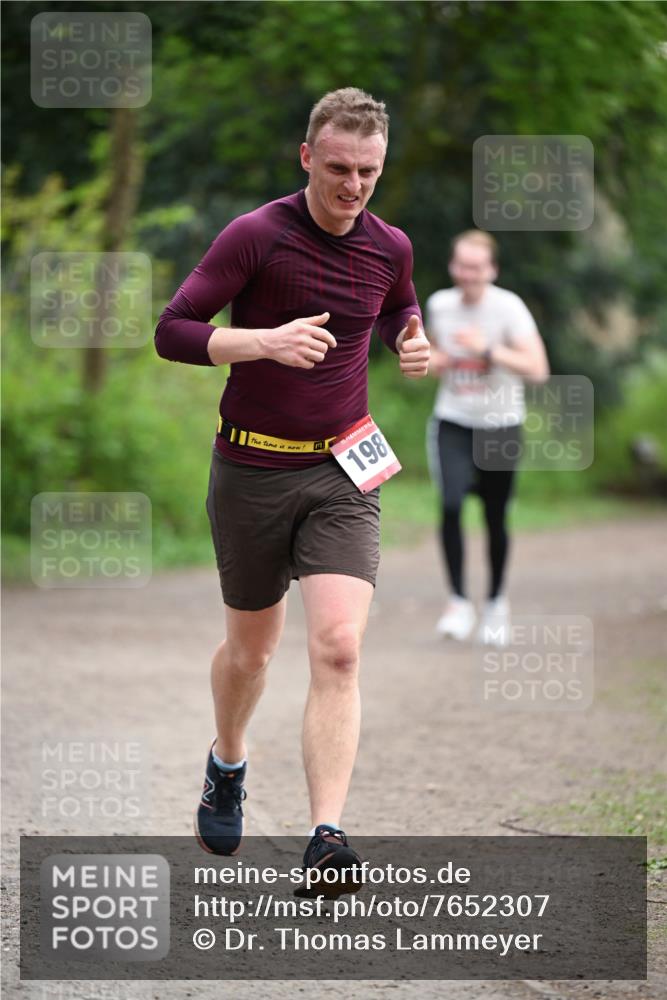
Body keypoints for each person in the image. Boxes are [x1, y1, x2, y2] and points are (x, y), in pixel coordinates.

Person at [154, 87, 430, 891]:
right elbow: (172, 329)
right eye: (338, 168)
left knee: (339, 648)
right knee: (252, 650)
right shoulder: (257, 236)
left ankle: (326, 837)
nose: (352, 187)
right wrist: (260, 342)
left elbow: (395, 308)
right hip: (250, 467)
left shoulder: (391, 245)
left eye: (368, 172)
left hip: (345, 468)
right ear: (307, 157)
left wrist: (410, 342)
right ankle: (227, 760)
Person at [425, 230, 549, 645]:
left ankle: (496, 603)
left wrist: (488, 350)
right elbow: (432, 360)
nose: (468, 274)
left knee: (495, 516)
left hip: (501, 424)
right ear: (452, 266)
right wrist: (434, 361)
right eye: (461, 265)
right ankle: (459, 602)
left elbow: (537, 368)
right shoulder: (440, 305)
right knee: (451, 504)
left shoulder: (508, 308)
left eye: (476, 267)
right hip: (453, 421)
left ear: (491, 269)